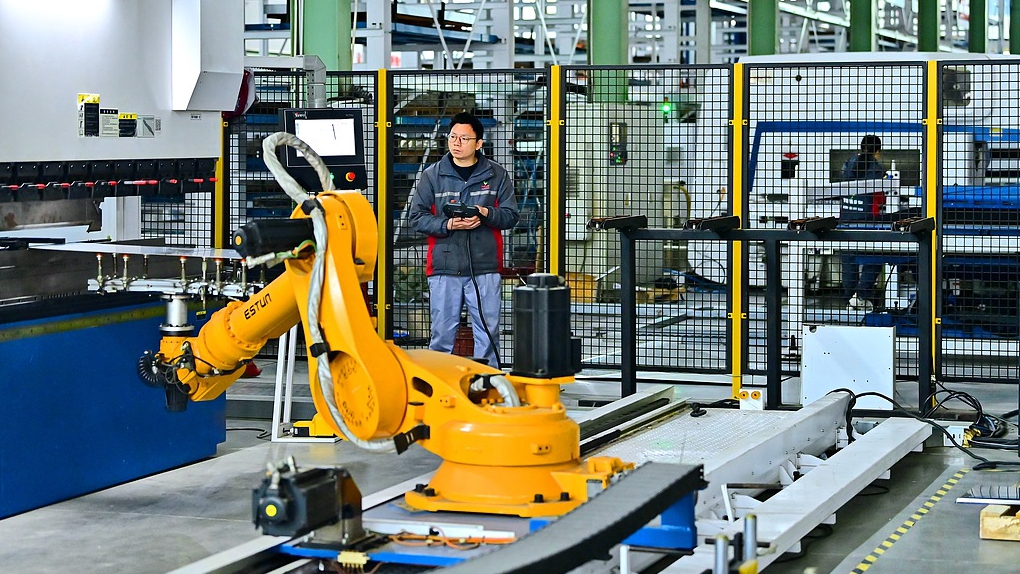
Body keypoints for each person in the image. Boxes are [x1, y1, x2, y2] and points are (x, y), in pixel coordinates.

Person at [408, 112, 519, 367]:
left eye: (464, 138)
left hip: (485, 267)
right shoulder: (432, 175)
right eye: (453, 137)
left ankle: (487, 387)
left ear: (479, 143)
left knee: (488, 333)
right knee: (442, 335)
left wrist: (485, 213)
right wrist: (448, 224)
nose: (456, 143)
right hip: (444, 267)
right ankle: (439, 390)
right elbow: (416, 217)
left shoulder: (497, 175)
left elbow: (511, 216)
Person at [840, 135, 888, 311]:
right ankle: (862, 295)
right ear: (877, 151)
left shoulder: (847, 165)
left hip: (845, 221)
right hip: (867, 222)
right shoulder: (877, 170)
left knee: (849, 261)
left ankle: (848, 300)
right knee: (876, 257)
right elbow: (881, 197)